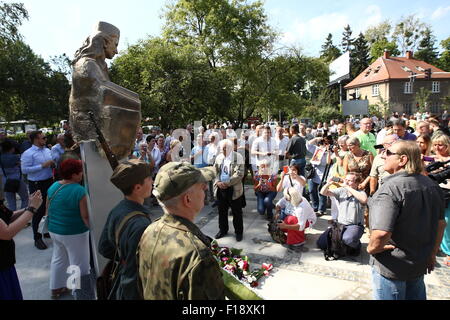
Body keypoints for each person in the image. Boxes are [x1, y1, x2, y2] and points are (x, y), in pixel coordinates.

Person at [367, 140, 447, 300]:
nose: (383, 156)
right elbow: (441, 224)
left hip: (391, 267)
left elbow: (382, 233)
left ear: (402, 160)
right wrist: (431, 254)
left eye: (388, 153)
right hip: (418, 264)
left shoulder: (390, 189)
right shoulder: (431, 185)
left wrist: (371, 248)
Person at [137, 162, 225, 300]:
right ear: (187, 199)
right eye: (202, 188)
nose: (205, 190)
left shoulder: (150, 230)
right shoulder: (197, 255)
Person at [98, 159, 153, 300]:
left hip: (119, 280)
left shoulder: (118, 209)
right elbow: (135, 272)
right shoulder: (141, 224)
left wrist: (123, 258)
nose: (152, 181)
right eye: (148, 178)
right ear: (137, 188)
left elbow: (104, 248)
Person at [46, 159, 94, 300]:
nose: (81, 175)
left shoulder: (53, 186)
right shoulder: (79, 191)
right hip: (74, 233)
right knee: (80, 266)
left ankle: (56, 288)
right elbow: (85, 217)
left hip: (54, 230)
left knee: (58, 259)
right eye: (79, 172)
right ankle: (80, 295)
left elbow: (47, 209)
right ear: (73, 175)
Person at [0, 189, 43, 300]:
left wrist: (29, 207)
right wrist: (31, 210)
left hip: (6, 264)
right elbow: (6, 233)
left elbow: (9, 216)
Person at [20, 131, 55, 250]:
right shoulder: (28, 153)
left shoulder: (47, 150)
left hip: (49, 181)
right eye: (43, 138)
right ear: (36, 139)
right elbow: (24, 170)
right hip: (36, 184)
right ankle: (37, 237)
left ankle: (46, 231)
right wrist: (42, 166)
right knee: (38, 211)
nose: (45, 139)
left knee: (49, 208)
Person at [319, 172, 368, 255]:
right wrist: (328, 183)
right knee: (322, 243)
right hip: (340, 225)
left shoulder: (361, 193)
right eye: (346, 179)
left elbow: (364, 200)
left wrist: (346, 187)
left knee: (348, 239)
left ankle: (356, 245)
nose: (346, 182)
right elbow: (323, 192)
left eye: (349, 180)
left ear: (356, 182)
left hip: (354, 225)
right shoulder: (342, 191)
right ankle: (343, 244)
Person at [214, 139, 245, 242]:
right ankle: (223, 230)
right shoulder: (219, 157)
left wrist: (227, 182)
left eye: (225, 149)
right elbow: (215, 172)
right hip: (221, 188)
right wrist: (218, 182)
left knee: (237, 212)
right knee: (222, 211)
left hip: (233, 188)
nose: (223, 151)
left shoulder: (238, 157)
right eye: (222, 149)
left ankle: (239, 232)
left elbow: (240, 173)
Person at [430, 133, 450, 267]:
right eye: (435, 144)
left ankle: (448, 251)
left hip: (447, 194)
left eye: (441, 144)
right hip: (432, 193)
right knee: (431, 220)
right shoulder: (430, 159)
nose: (437, 147)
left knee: (446, 222)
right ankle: (435, 246)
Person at [306, 137, 332, 216]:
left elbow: (328, 162)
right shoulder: (317, 149)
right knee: (311, 190)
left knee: (321, 192)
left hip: (323, 173)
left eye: (325, 143)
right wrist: (316, 139)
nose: (323, 145)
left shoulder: (330, 152)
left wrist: (328, 152)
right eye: (322, 143)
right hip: (313, 172)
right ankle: (315, 207)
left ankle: (321, 209)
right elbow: (307, 145)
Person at [0, 140, 29, 211]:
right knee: (25, 199)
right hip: (18, 180)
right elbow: (22, 166)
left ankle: (12, 219)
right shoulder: (16, 157)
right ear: (12, 148)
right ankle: (22, 217)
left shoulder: (0, 158)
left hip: (6, 182)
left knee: (11, 203)